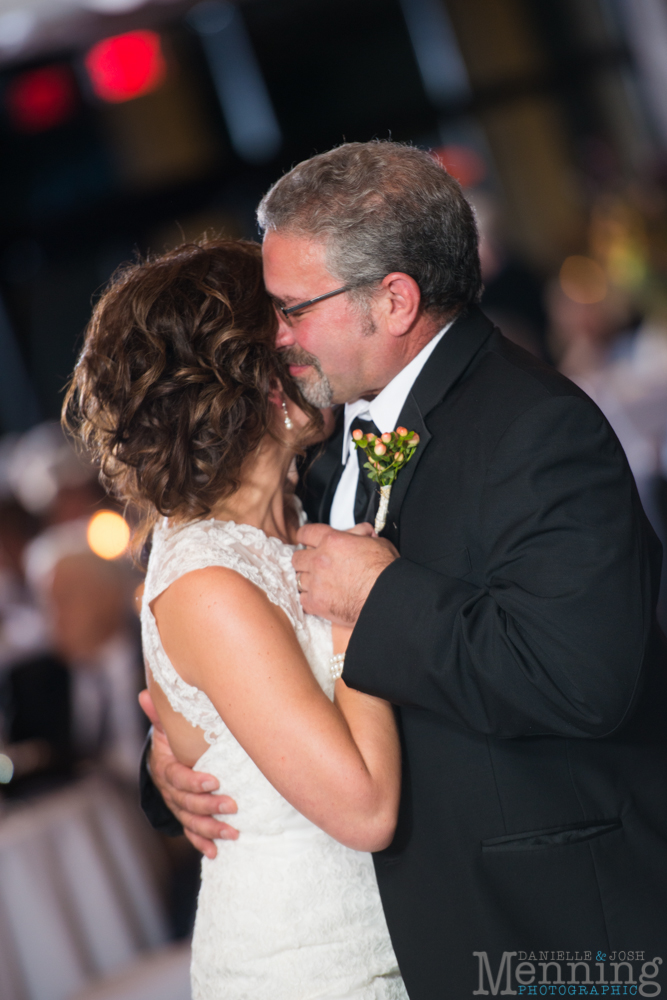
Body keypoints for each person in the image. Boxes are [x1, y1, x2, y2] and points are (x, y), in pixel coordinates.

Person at [142, 142, 667, 999]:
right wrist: (178, 768)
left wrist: (379, 596)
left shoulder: (536, 431)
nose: (274, 338)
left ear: (393, 300)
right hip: (388, 927)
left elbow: (583, 680)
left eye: (292, 308)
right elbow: (263, 662)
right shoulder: (310, 448)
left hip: (544, 931)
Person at [63, 238, 407, 1000]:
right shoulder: (204, 580)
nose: (310, 340)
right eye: (288, 323)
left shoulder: (306, 516)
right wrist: (360, 618)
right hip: (314, 968)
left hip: (392, 934)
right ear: (259, 378)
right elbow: (365, 807)